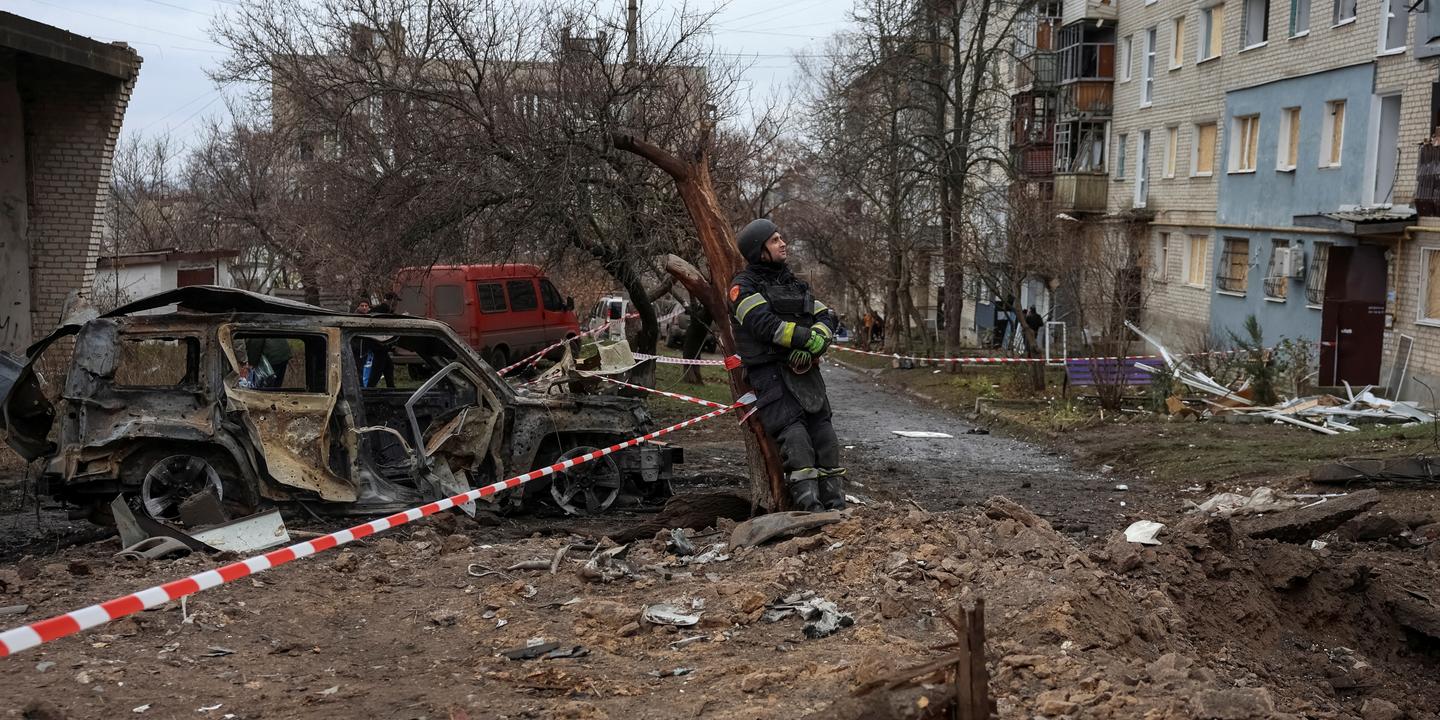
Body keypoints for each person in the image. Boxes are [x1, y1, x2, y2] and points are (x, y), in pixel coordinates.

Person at [730, 218, 844, 513]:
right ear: (760, 251)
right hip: (771, 376)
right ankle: (808, 510)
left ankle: (836, 507)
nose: (783, 244)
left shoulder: (794, 284)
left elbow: (828, 316)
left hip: (807, 375)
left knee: (826, 439)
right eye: (775, 240)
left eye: (782, 238)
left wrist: (820, 337)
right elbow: (765, 326)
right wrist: (807, 340)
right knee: (796, 440)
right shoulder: (742, 288)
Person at [354, 299, 396, 388]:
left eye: (366, 306)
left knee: (388, 366)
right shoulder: (357, 317)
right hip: (361, 347)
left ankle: (389, 387)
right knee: (362, 369)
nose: (364, 308)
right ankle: (366, 388)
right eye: (362, 306)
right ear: (358, 307)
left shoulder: (371, 316)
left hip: (374, 347)